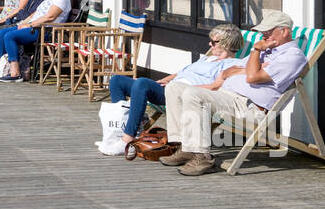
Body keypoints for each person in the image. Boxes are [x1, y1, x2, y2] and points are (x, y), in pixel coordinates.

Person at [159, 11, 309, 176]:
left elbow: (252, 77)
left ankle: (202, 157)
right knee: (174, 87)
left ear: (285, 31)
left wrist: (255, 50)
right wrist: (252, 67)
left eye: (267, 32)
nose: (263, 36)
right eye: (262, 33)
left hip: (248, 106)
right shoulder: (269, 50)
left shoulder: (292, 57)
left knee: (193, 95)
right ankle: (185, 147)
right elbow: (228, 71)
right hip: (227, 95)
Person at [98, 24, 244, 155]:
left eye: (214, 41)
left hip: (182, 94)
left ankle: (127, 139)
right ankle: (118, 133)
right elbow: (181, 73)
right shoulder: (208, 58)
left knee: (141, 83)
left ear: (226, 44)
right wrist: (164, 80)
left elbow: (215, 87)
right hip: (169, 87)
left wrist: (176, 86)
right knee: (117, 80)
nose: (209, 44)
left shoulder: (232, 65)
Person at [0, 0, 71, 83]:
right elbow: (36, 14)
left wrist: (29, 25)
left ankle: (15, 73)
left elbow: (49, 17)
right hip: (33, 26)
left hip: (44, 31)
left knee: (9, 36)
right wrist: (23, 23)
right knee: (1, 33)